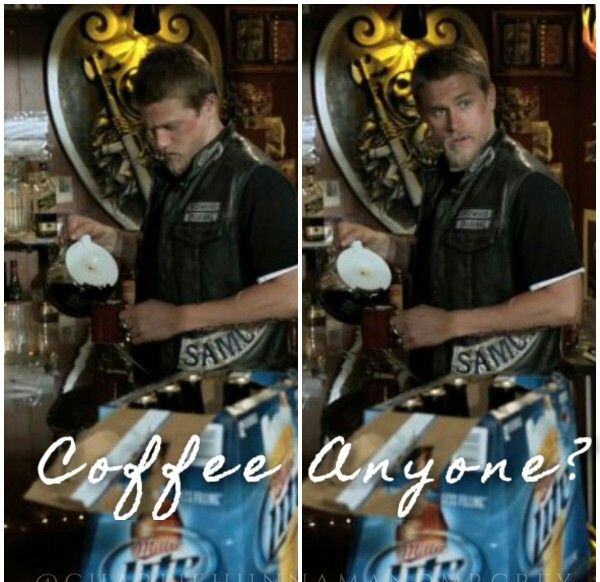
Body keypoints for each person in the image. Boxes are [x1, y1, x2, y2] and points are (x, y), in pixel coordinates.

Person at [340, 44, 583, 380]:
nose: (454, 123)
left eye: (464, 104)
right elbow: (455, 264)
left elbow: (563, 303)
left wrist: (452, 324)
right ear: (424, 117)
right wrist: (390, 247)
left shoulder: (529, 185)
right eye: (439, 111)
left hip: (512, 395)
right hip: (444, 388)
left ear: (491, 98)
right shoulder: (442, 178)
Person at [67, 44, 297, 378]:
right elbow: (182, 259)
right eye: (150, 129)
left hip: (242, 392)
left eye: (171, 127)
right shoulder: (173, 172)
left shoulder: (259, 180)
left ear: (208, 106)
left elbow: (288, 295)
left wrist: (179, 319)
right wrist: (116, 243)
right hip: (166, 383)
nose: (159, 143)